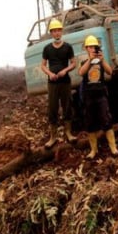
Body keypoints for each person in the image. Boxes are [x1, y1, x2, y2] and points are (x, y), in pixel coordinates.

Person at [78, 35, 118, 159]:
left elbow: (109, 72)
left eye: (94, 47)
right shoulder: (84, 62)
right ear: (86, 48)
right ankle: (93, 150)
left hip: (101, 95)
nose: (91, 49)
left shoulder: (101, 61)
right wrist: (90, 60)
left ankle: (113, 147)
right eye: (89, 47)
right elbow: (81, 72)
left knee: (106, 120)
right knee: (90, 123)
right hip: (88, 96)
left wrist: (103, 60)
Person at [40, 19, 78, 148]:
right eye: (54, 31)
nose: (56, 33)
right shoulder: (47, 48)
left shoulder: (68, 47)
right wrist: (50, 74)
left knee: (67, 106)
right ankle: (53, 137)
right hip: (52, 83)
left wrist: (65, 70)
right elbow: (43, 66)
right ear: (51, 33)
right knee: (52, 107)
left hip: (65, 82)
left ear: (61, 31)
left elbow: (74, 63)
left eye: (58, 30)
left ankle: (68, 132)